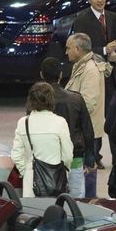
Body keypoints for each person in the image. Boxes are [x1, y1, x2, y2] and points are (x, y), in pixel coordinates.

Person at [72, 0, 116, 170]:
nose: (100, 0)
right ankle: (93, 155)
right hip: (92, 76)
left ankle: (109, 155)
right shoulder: (82, 20)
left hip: (109, 75)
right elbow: (79, 51)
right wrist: (103, 50)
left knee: (112, 117)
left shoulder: (112, 17)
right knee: (93, 118)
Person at [40, 57, 95, 198]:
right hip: (74, 156)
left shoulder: (37, 101)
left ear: (41, 75)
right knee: (76, 198)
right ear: (60, 75)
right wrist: (89, 159)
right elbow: (87, 130)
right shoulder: (76, 99)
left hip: (46, 158)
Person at [11, 82, 74, 197]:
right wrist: (64, 169)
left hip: (31, 180)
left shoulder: (23, 122)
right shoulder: (60, 122)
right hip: (57, 178)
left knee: (32, 213)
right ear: (51, 99)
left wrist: (26, 171)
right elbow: (68, 155)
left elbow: (16, 155)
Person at [65, 33, 107, 197]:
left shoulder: (90, 70)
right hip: (82, 130)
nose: (66, 51)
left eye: (68, 48)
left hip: (86, 132)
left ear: (77, 49)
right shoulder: (81, 64)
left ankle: (88, 206)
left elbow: (88, 103)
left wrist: (69, 116)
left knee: (87, 172)